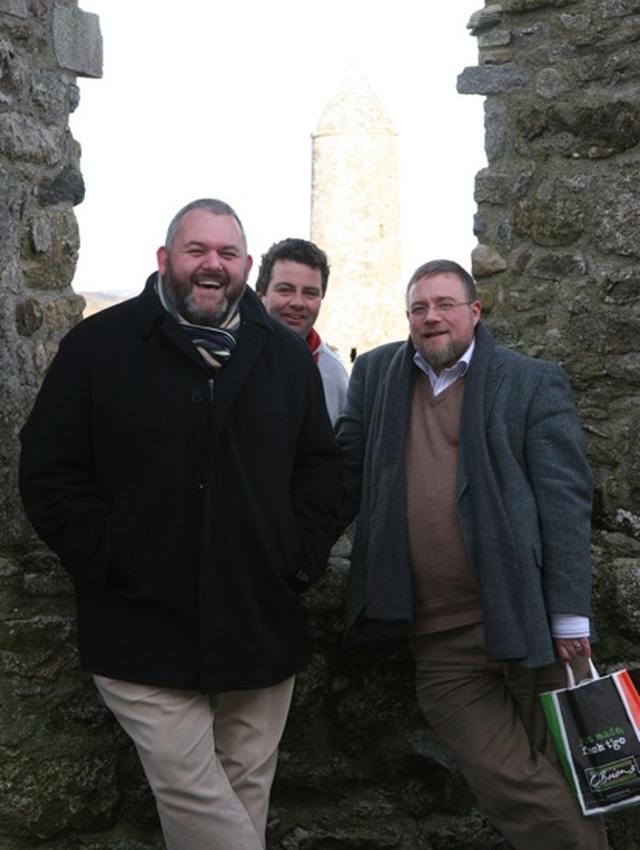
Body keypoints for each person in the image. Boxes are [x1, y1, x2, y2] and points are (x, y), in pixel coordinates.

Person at [19, 198, 343, 850]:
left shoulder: (284, 357)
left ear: (246, 267)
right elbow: (49, 476)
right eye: (196, 250)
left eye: (226, 253)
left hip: (260, 620)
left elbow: (322, 472)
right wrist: (114, 553)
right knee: (197, 795)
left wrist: (296, 556)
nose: (211, 265)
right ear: (166, 259)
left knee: (243, 793)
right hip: (139, 623)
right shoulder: (98, 347)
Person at [336, 259, 609, 850]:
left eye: (444, 305)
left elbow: (564, 500)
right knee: (511, 781)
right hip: (439, 641)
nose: (431, 317)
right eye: (418, 307)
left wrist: (568, 614)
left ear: (474, 312)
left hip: (527, 621)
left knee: (567, 776)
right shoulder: (379, 373)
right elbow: (342, 474)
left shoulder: (530, 380)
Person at [255, 237, 349, 423]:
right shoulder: (230, 357)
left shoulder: (333, 373)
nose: (298, 303)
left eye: (310, 293)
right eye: (285, 290)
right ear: (261, 294)